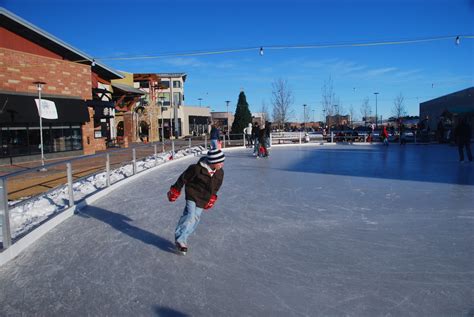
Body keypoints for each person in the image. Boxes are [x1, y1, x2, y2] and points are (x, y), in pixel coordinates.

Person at [167, 148, 225, 254]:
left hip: (204, 198)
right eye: (220, 162)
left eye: (222, 161)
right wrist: (175, 189)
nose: (222, 164)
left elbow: (216, 187)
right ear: (213, 162)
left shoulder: (220, 173)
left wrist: (212, 197)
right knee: (189, 215)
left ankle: (184, 237)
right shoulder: (196, 169)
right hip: (192, 194)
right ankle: (180, 240)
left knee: (195, 218)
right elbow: (182, 178)